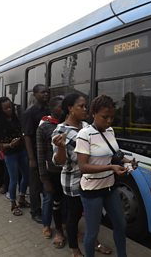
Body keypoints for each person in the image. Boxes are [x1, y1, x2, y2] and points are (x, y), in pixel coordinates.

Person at [52, 93, 113, 257]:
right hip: (74, 182)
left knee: (93, 215)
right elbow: (59, 162)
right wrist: (62, 148)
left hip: (93, 180)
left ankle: (93, 242)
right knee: (75, 215)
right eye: (81, 106)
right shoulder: (60, 131)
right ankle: (75, 249)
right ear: (70, 109)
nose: (85, 109)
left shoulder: (87, 126)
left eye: (86, 106)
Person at [75, 94, 136, 257]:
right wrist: (111, 167)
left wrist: (128, 161)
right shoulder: (84, 134)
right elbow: (83, 167)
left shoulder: (110, 130)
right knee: (93, 233)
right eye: (104, 117)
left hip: (110, 187)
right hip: (92, 191)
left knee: (121, 225)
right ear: (93, 113)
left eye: (111, 117)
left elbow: (114, 153)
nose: (109, 121)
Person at [36, 96, 66, 247]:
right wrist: (44, 178)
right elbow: (41, 155)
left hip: (66, 172)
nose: (64, 109)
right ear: (53, 108)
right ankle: (47, 225)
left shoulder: (68, 124)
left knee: (64, 202)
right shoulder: (45, 126)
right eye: (61, 106)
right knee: (50, 199)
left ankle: (64, 226)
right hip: (51, 172)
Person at [0, 97, 30, 216]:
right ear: (1, 110)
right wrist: (9, 144)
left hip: (21, 150)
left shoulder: (16, 118)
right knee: (13, 179)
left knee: (26, 176)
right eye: (6, 108)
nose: (10, 109)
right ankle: (13, 205)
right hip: (10, 154)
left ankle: (22, 198)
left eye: (11, 107)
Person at [23, 84, 50, 223]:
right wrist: (31, 158)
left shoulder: (49, 110)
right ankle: (35, 211)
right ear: (35, 94)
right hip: (35, 152)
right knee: (35, 185)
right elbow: (27, 136)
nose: (46, 94)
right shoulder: (30, 112)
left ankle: (47, 209)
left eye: (47, 92)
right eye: (42, 92)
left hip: (47, 153)